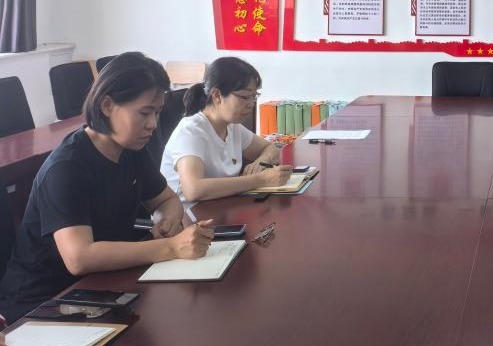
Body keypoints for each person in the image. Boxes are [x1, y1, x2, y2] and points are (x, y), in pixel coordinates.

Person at [0, 53, 214, 323]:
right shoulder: (68, 167)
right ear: (107, 105)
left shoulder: (131, 149)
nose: (153, 124)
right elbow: (79, 258)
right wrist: (171, 247)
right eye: (144, 113)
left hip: (101, 284)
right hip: (44, 302)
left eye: (158, 113)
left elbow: (167, 200)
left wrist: (167, 220)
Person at [160, 57, 290, 202]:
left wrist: (261, 161)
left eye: (254, 96)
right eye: (245, 97)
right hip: (187, 213)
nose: (251, 104)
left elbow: (270, 148)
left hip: (221, 206)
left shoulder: (232, 127)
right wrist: (260, 179)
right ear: (217, 95)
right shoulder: (190, 131)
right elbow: (193, 190)